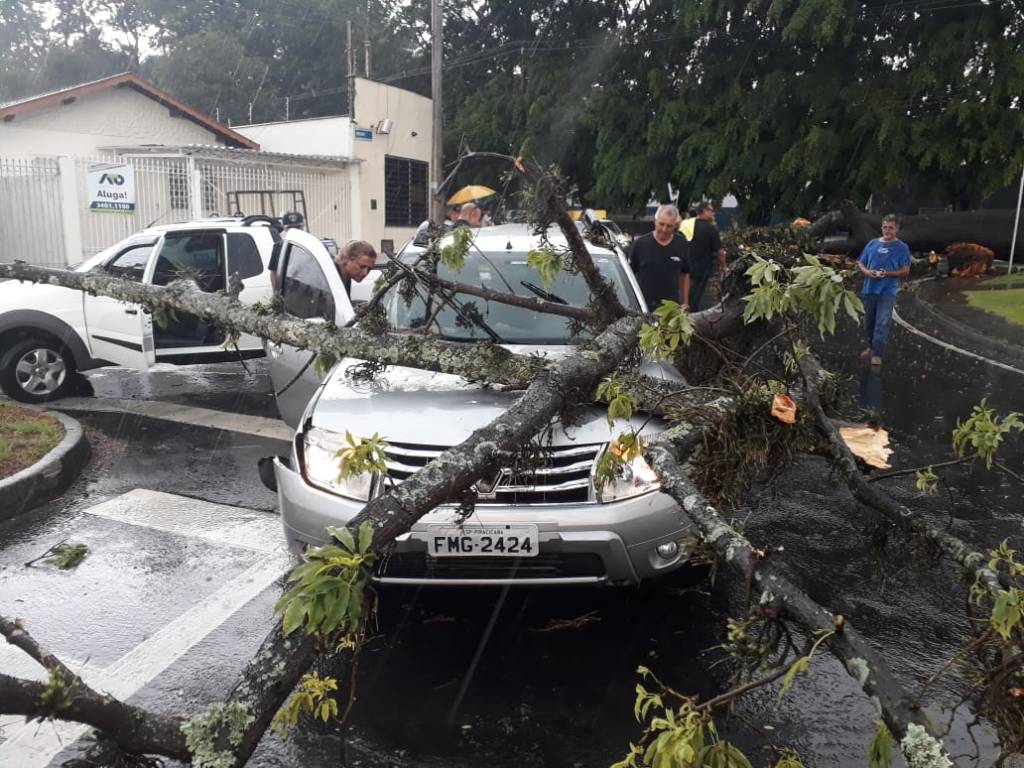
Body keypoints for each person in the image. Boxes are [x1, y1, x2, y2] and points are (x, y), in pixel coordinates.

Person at [856, 214, 911, 366]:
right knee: (868, 323)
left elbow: (905, 271)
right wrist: (867, 272)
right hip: (869, 289)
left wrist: (887, 274)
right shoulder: (872, 244)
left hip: (887, 291)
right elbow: (860, 262)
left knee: (882, 321)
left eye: (891, 228)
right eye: (885, 227)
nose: (887, 231)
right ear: (881, 227)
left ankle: (877, 354)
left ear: (897, 229)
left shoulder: (902, 247)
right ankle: (871, 347)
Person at [628, 204, 687, 311]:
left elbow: (685, 274)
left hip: (672, 309)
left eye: (669, 226)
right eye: (661, 224)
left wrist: (685, 303)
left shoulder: (681, 244)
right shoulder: (640, 244)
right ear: (655, 221)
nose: (664, 229)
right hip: (644, 307)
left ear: (675, 226)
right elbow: (629, 276)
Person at [683, 202, 726, 311]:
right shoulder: (711, 229)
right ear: (704, 211)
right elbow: (720, 251)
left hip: (683, 268)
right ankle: (691, 316)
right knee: (694, 298)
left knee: (684, 296)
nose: (713, 213)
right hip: (701, 270)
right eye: (711, 211)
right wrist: (724, 267)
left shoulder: (685, 225)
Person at [268, 211, 305, 290]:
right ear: (284, 228)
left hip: (308, 291)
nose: (295, 230)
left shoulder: (310, 247)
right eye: (290, 228)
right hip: (288, 291)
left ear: (303, 227)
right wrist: (276, 293)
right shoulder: (278, 247)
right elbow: (273, 272)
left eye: (298, 227)